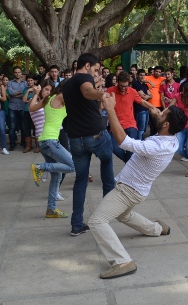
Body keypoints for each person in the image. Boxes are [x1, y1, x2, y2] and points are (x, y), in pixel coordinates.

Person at [88, 94, 187, 279]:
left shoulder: (155, 146)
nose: (160, 112)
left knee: (97, 221)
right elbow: (161, 122)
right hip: (138, 190)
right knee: (124, 215)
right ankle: (157, 229)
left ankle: (122, 261)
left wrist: (110, 109)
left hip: (127, 191)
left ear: (166, 125)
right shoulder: (171, 139)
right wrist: (157, 113)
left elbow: (124, 142)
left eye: (163, 113)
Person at [62, 53, 115, 237]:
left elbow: (83, 97)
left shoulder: (67, 83)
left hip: (76, 139)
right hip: (95, 136)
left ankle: (76, 225)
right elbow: (86, 91)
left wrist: (96, 85)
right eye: (95, 69)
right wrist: (103, 94)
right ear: (86, 66)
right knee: (107, 168)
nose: (96, 72)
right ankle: (106, 218)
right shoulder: (83, 78)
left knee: (80, 181)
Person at [29, 80, 75, 217]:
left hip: (44, 141)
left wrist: (36, 95)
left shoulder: (48, 98)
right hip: (50, 141)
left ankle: (51, 209)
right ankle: (40, 167)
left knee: (57, 174)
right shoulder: (61, 97)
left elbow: (31, 108)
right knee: (73, 166)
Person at [106, 71, 160, 163]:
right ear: (117, 82)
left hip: (130, 125)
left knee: (131, 150)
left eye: (125, 86)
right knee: (113, 147)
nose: (123, 88)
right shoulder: (111, 91)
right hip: (115, 126)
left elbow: (142, 102)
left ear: (129, 83)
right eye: (121, 86)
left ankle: (130, 165)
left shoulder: (132, 91)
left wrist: (154, 107)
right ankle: (131, 164)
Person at [7, 66, 29, 151]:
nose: (17, 74)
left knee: (24, 126)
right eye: (16, 72)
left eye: (19, 72)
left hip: (23, 106)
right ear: (13, 73)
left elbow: (25, 94)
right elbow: (10, 93)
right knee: (12, 126)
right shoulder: (10, 82)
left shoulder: (25, 83)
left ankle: (24, 143)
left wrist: (16, 93)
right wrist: (21, 93)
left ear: (21, 73)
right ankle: (12, 144)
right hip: (12, 106)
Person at [133, 69, 152, 140]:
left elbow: (150, 95)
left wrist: (146, 96)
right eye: (141, 75)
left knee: (144, 129)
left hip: (146, 109)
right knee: (140, 129)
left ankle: (142, 142)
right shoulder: (136, 84)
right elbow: (143, 96)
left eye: (144, 75)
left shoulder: (145, 85)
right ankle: (139, 144)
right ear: (137, 75)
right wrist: (147, 96)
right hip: (139, 109)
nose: (142, 77)